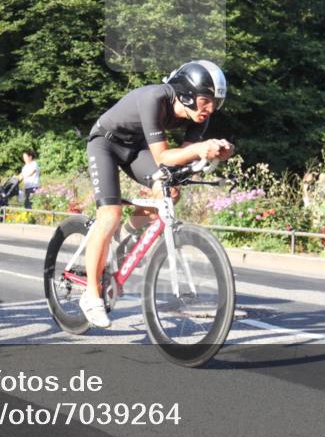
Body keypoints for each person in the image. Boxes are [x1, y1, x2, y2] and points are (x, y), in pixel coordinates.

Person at [81, 60, 234, 328]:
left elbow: (180, 161)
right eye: (205, 101)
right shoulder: (155, 98)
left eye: (216, 103)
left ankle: (122, 239)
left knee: (169, 191)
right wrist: (200, 149)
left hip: (137, 148)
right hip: (106, 143)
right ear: (186, 94)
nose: (210, 109)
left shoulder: (198, 118)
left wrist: (215, 153)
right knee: (109, 215)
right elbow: (163, 156)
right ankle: (91, 295)